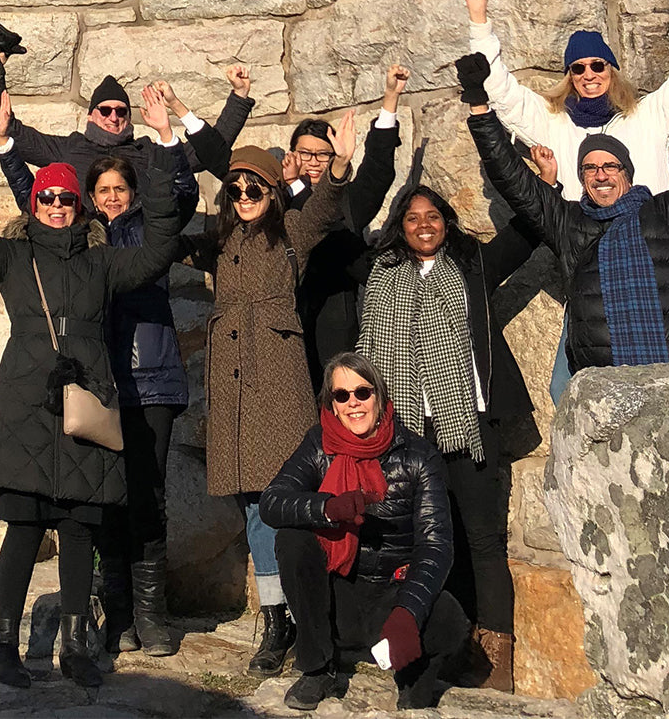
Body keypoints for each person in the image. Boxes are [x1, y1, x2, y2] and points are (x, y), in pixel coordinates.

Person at [0, 121, 185, 689]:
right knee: (24, 528)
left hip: (86, 402)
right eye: (47, 197)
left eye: (65, 198)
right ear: (34, 204)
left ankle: (76, 646)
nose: (56, 205)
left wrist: (153, 175)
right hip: (28, 404)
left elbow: (159, 249)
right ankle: (4, 647)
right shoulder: (12, 258)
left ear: (80, 208)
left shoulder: (102, 264)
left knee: (79, 527)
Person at [462, 0, 669, 402]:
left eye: (597, 64)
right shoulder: (553, 123)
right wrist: (478, 18)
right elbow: (500, 92)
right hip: (592, 275)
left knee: (665, 388)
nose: (588, 73)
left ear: (612, 69)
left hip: (650, 268)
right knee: (568, 390)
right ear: (569, 75)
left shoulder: (649, 116)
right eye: (577, 67)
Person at [0, 87, 196, 658]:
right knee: (103, 497)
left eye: (120, 189)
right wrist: (8, 145)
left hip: (150, 377)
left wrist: (164, 137)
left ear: (131, 194)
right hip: (98, 383)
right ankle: (117, 616)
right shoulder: (75, 244)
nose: (111, 198)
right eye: (102, 190)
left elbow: (179, 195)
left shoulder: (145, 235)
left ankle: (152, 614)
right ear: (89, 198)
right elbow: (33, 198)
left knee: (148, 496)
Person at [179, 110, 362, 678]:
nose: (243, 194)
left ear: (272, 188)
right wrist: (168, 144)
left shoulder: (292, 233)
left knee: (283, 502)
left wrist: (340, 165)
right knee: (255, 504)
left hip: (276, 388)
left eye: (253, 185)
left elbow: (328, 204)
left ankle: (305, 615)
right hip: (232, 393)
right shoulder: (220, 240)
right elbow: (165, 228)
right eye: (234, 188)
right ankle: (278, 618)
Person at [355, 184, 542, 691]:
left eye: (433, 216)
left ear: (447, 221)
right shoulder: (380, 277)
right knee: (424, 542)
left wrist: (544, 180)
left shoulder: (472, 265)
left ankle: (492, 660)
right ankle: (441, 646)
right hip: (407, 435)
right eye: (413, 217)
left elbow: (528, 229)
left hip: (468, 425)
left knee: (482, 540)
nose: (423, 224)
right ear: (400, 224)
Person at [463, 46, 669, 375]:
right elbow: (510, 177)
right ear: (582, 179)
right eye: (589, 169)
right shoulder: (570, 225)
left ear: (626, 172)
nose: (601, 175)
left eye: (610, 166)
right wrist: (478, 105)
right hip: (602, 385)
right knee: (562, 391)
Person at [259, 352, 470, 712]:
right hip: (338, 593)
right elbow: (271, 502)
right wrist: (326, 508)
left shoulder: (418, 456)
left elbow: (436, 546)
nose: (353, 403)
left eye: (363, 392)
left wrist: (408, 611)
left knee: (449, 621)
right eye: (342, 395)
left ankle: (411, 671)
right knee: (292, 538)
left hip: (391, 592)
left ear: (380, 396)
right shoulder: (318, 444)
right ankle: (317, 668)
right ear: (332, 404)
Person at [0, 24, 251, 196]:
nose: (113, 117)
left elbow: (211, 149)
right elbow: (10, 131)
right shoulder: (69, 149)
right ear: (91, 115)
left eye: (121, 112)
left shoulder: (147, 153)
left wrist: (239, 96)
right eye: (105, 111)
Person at [284, 67, 407, 390]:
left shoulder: (347, 201)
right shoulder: (272, 201)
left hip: (335, 331)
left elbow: (378, 172)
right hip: (285, 329)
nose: (313, 161)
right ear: (291, 155)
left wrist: (390, 100)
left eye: (322, 154)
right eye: (305, 153)